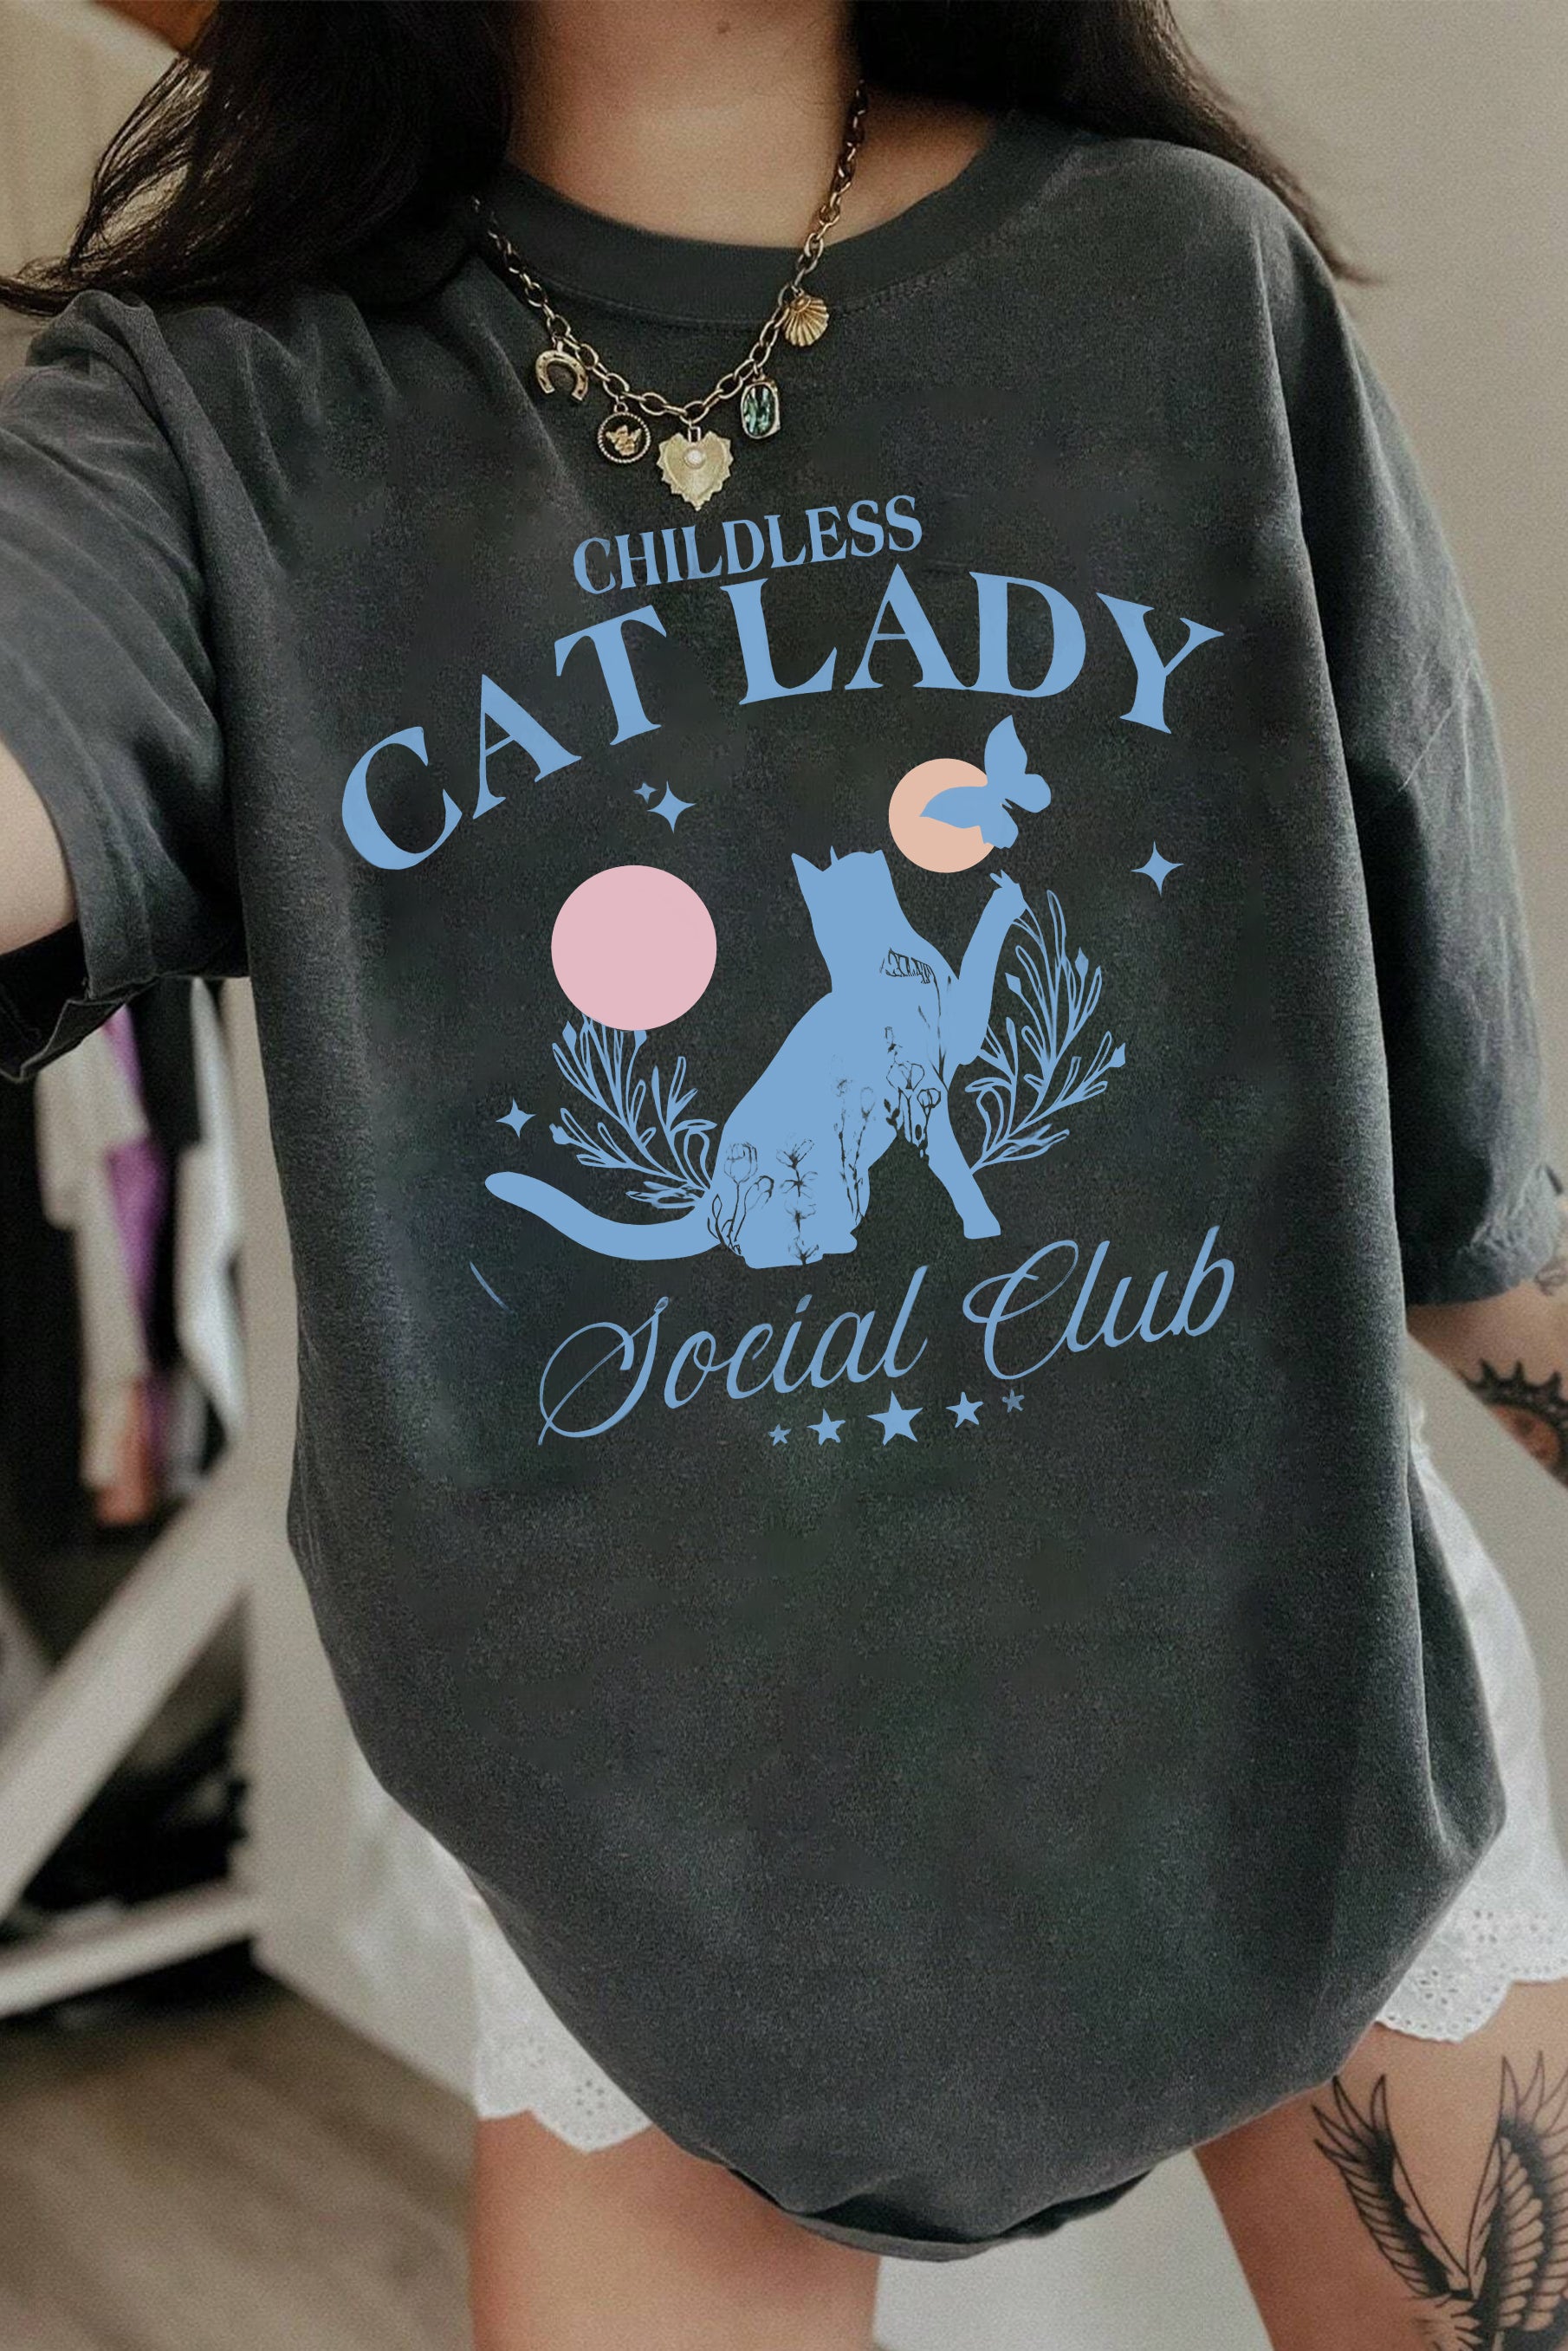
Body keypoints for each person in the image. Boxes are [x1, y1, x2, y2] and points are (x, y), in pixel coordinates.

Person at [2, 3, 1565, 2344]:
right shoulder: (214, 417)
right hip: (658, 1843)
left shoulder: (1180, 280)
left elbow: (1465, 1195)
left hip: (1285, 1707)